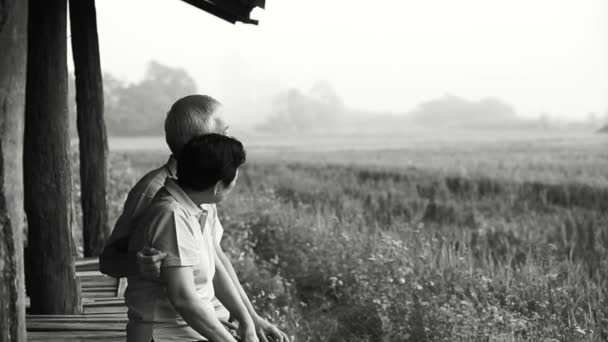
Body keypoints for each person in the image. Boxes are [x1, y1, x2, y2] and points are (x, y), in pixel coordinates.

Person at [100, 95, 288, 342]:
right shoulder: (157, 194)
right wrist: (138, 265)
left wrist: (249, 317)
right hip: (172, 327)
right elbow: (109, 262)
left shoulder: (198, 192)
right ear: (203, 142)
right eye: (225, 133)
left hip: (206, 319)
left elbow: (214, 257)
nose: (230, 140)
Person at [127, 134, 251, 341]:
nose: (234, 185)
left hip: (188, 331)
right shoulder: (172, 215)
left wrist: (249, 321)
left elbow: (215, 273)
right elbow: (184, 298)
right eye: (234, 180)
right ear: (218, 186)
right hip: (166, 336)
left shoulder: (196, 207)